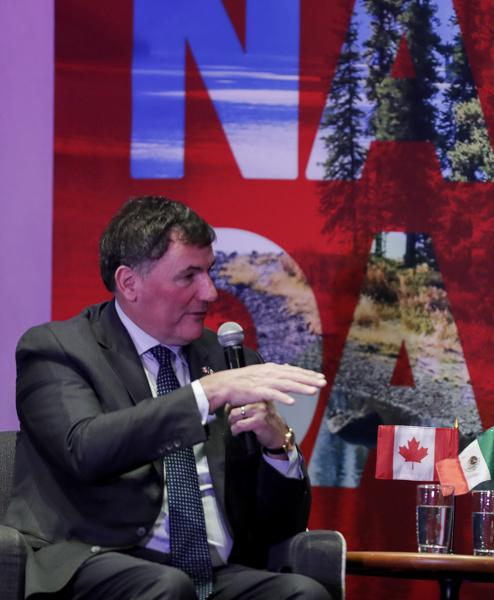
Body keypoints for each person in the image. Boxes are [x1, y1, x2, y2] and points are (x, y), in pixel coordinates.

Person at [3, 196, 331, 599]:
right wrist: (204, 394)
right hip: (95, 560)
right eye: (188, 276)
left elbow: (280, 526)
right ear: (129, 283)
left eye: (208, 272)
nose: (209, 292)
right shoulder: (58, 348)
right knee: (167, 586)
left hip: (215, 573)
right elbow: (84, 448)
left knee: (303, 593)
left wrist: (278, 448)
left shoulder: (229, 360)